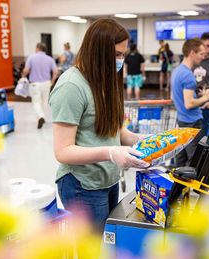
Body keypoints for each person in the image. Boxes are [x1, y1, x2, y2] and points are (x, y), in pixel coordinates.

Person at [49, 18, 149, 232]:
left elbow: (116, 131)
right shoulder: (71, 86)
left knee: (108, 243)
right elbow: (63, 151)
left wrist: (140, 141)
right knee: (94, 249)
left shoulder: (105, 79)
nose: (120, 61)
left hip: (108, 179)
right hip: (82, 185)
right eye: (116, 55)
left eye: (123, 55)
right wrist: (111, 153)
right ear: (98, 51)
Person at [171, 38, 209, 167]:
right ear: (192, 53)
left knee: (181, 159)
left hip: (182, 120)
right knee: (195, 160)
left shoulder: (177, 71)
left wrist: (197, 95)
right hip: (193, 122)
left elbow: (176, 97)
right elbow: (188, 104)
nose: (203, 57)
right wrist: (206, 97)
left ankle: (177, 186)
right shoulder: (187, 75)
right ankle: (189, 187)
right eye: (201, 54)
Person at [22, 42, 58, 129]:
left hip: (35, 84)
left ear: (37, 48)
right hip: (46, 83)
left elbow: (26, 70)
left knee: (36, 102)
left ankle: (41, 116)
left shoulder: (31, 57)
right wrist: (52, 82)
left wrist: (23, 76)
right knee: (44, 102)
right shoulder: (50, 59)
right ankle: (43, 117)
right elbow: (56, 72)